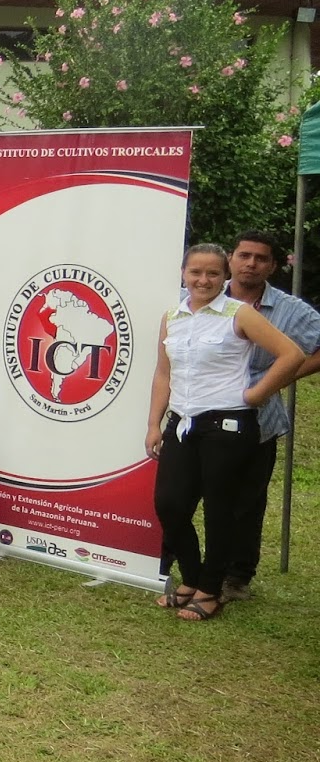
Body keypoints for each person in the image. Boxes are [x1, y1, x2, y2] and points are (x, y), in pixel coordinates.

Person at [146, 245, 303, 622]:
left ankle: (210, 590)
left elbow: (291, 354)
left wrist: (254, 394)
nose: (203, 280)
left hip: (228, 426)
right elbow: (164, 373)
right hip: (182, 423)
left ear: (224, 276)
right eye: (195, 272)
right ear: (183, 273)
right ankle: (192, 578)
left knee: (220, 510)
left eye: (213, 274)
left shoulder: (240, 314)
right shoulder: (173, 316)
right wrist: (154, 423)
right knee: (170, 504)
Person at [220, 231, 320, 600]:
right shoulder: (202, 296)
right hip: (197, 416)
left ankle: (236, 578)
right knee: (185, 494)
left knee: (246, 503)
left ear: (273, 266)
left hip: (258, 420)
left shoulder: (291, 311)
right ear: (230, 258)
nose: (251, 263)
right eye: (244, 255)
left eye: (261, 258)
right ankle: (172, 561)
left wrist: (280, 377)